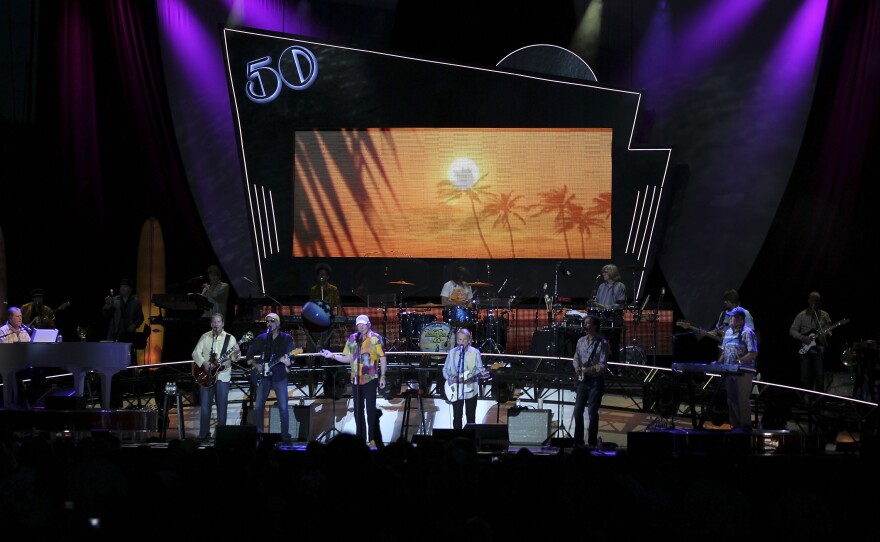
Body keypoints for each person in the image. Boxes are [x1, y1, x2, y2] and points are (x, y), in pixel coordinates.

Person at [320, 314, 387, 447]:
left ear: (368, 325)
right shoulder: (352, 338)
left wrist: (383, 376)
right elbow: (347, 358)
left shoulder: (375, 338)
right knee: (358, 411)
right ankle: (360, 440)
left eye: (363, 324)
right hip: (356, 379)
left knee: (370, 410)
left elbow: (383, 358)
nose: (361, 327)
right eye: (358, 325)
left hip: (370, 378)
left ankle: (372, 439)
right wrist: (332, 356)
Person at [246, 312, 298, 443]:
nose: (269, 323)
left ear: (278, 323)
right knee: (258, 407)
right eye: (267, 321)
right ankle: (259, 436)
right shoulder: (262, 338)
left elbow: (291, 359)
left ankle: (285, 436)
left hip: (279, 376)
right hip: (263, 377)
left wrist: (287, 362)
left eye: (272, 321)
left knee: (283, 408)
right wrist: (255, 365)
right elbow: (249, 354)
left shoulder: (286, 338)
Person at [191, 312, 240, 442]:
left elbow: (235, 359)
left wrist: (236, 352)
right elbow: (195, 353)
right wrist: (204, 363)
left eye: (218, 322)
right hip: (207, 376)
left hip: (223, 376)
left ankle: (221, 435)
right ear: (211, 324)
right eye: (213, 322)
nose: (216, 324)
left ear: (223, 324)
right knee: (205, 406)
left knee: (221, 406)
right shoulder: (205, 336)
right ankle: (204, 434)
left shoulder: (230, 338)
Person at [715, 306, 758, 432]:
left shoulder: (748, 332)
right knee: (731, 399)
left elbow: (753, 353)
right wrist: (718, 363)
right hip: (729, 371)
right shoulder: (728, 332)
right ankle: (735, 426)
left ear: (740, 319)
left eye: (732, 317)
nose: (730, 319)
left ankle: (745, 427)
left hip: (743, 372)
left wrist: (740, 361)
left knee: (742, 399)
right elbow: (724, 351)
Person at [572, 316, 610, 448]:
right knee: (578, 410)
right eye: (584, 323)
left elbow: (603, 365)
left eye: (588, 323)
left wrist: (589, 370)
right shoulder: (581, 341)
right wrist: (576, 367)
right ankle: (578, 440)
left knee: (592, 412)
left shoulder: (603, 343)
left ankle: (592, 442)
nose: (585, 325)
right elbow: (576, 357)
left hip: (595, 380)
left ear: (595, 326)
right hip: (582, 380)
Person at [442, 328, 487, 430]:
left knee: (470, 417)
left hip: (471, 390)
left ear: (469, 340)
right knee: (457, 417)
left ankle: (470, 437)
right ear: (456, 340)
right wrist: (451, 379)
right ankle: (457, 437)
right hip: (456, 390)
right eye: (459, 339)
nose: (462, 342)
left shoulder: (475, 352)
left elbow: (479, 369)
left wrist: (474, 375)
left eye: (464, 339)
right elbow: (445, 369)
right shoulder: (452, 353)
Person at [789, 291, 832, 392]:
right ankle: (806, 396)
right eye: (812, 300)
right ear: (808, 300)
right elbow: (792, 330)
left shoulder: (824, 315)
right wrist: (802, 338)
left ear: (819, 302)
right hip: (805, 349)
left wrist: (826, 334)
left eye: (816, 300)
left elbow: (829, 331)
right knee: (805, 375)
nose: (814, 302)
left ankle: (819, 397)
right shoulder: (801, 315)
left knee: (820, 375)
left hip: (819, 349)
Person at [306, 262, 344, 351]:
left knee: (325, 340)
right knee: (311, 342)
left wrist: (338, 319)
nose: (321, 276)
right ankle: (310, 357)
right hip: (316, 319)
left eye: (323, 274)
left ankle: (324, 356)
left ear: (327, 277)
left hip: (328, 319)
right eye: (320, 274)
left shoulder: (333, 289)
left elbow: (338, 304)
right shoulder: (314, 290)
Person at [594, 264, 626, 361]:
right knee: (600, 345)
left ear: (612, 273)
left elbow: (620, 304)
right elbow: (596, 301)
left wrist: (607, 308)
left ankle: (615, 366)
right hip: (602, 320)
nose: (603, 274)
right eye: (603, 272)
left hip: (614, 320)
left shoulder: (620, 286)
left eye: (605, 272)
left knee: (614, 346)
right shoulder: (601, 286)